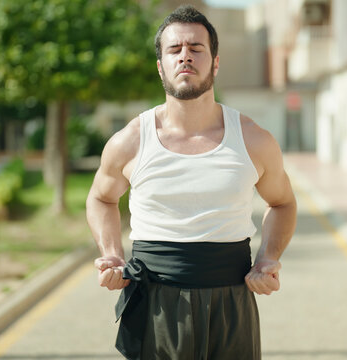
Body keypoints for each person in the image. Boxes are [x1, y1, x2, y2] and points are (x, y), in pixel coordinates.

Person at [86, 5, 297, 359]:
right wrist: (111, 253)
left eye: (196, 48)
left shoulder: (253, 139)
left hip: (232, 301)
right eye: (174, 49)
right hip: (154, 302)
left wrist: (267, 258)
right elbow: (100, 197)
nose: (185, 56)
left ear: (215, 62)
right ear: (160, 66)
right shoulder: (131, 139)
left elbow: (283, 202)